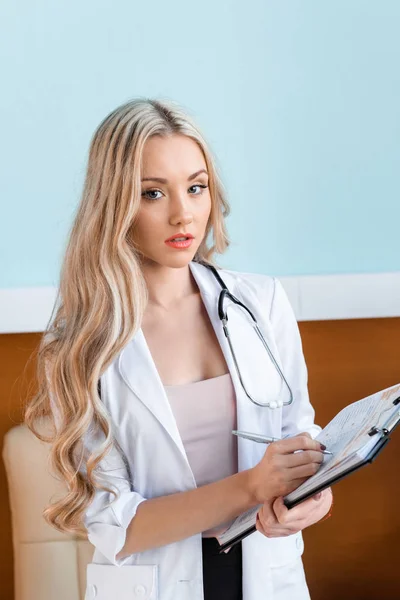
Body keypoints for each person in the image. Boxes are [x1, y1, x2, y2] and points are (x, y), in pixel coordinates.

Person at [25, 97, 333, 600]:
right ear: (115, 204)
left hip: (267, 578)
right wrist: (252, 487)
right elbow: (113, 525)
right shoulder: (79, 345)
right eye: (152, 193)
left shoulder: (262, 304)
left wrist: (308, 498)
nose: (182, 213)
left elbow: (297, 437)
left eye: (196, 187)